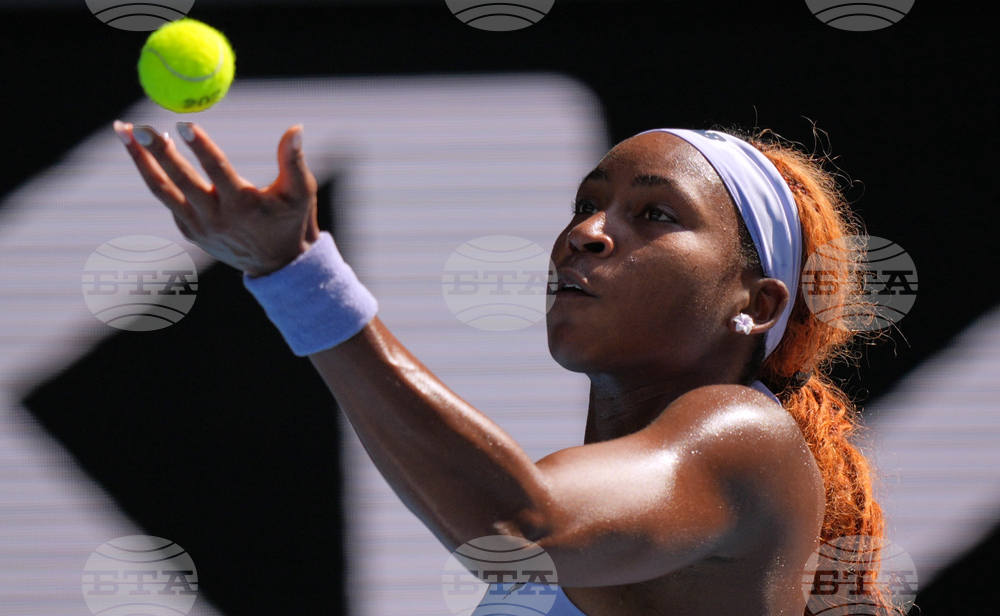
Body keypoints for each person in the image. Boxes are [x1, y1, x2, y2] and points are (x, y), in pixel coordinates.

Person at [112, 119, 888, 615]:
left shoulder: (744, 434)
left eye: (654, 214)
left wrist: (300, 277)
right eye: (587, 204)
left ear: (755, 302)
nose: (585, 232)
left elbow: (517, 529)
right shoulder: (611, 487)